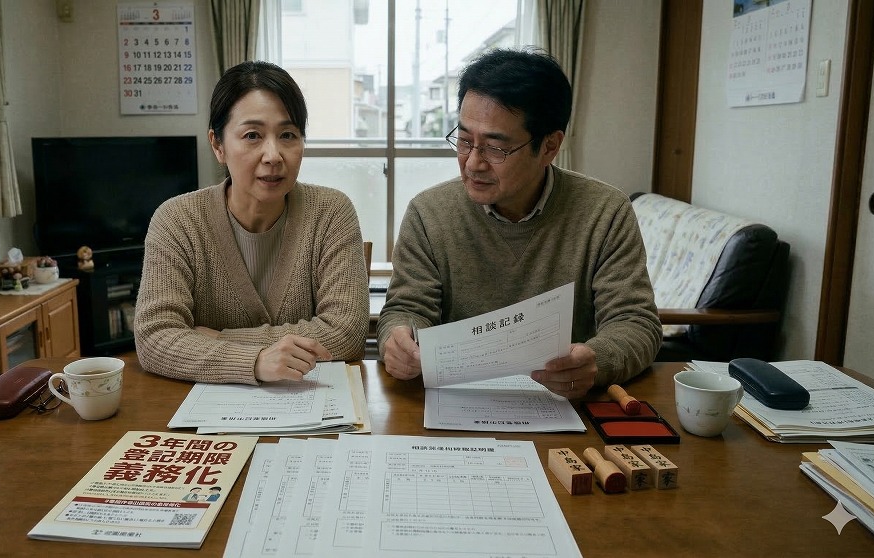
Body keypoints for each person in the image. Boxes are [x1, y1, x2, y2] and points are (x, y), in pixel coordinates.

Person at [377, 48, 661, 399]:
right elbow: (407, 309)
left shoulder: (605, 212)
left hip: (563, 402)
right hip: (458, 400)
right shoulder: (429, 212)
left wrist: (595, 360)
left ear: (549, 147)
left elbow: (635, 322)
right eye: (464, 141)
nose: (473, 163)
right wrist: (399, 339)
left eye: (495, 148)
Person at [134, 60, 369, 385]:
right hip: (208, 412)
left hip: (307, 405)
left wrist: (220, 339)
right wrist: (255, 362)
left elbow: (347, 332)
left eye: (287, 135)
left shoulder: (331, 212)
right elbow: (155, 337)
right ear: (218, 145)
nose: (273, 155)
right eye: (252, 135)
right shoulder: (177, 220)